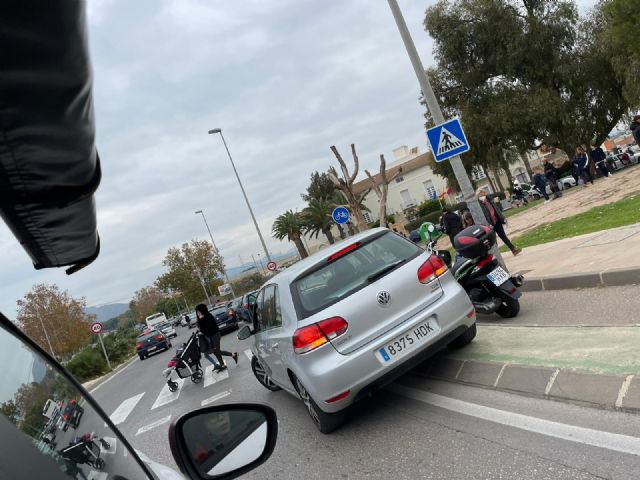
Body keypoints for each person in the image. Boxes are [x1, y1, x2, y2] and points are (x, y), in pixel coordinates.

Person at [477, 188, 522, 256]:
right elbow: (482, 216)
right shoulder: (479, 204)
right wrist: (487, 224)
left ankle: (513, 249)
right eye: (480, 194)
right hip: (489, 225)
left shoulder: (490, 200)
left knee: (503, 236)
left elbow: (497, 210)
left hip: (497, 221)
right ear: (478, 195)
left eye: (483, 193)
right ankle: (496, 254)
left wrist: (503, 218)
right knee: (493, 240)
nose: (482, 195)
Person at [195, 303, 238, 372]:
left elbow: (206, 328)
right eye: (197, 312)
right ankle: (222, 365)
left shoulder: (208, 316)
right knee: (215, 351)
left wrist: (201, 321)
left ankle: (233, 354)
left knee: (216, 350)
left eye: (198, 311)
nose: (198, 313)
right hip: (211, 336)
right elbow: (202, 329)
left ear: (202, 310)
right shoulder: (202, 318)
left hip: (215, 335)